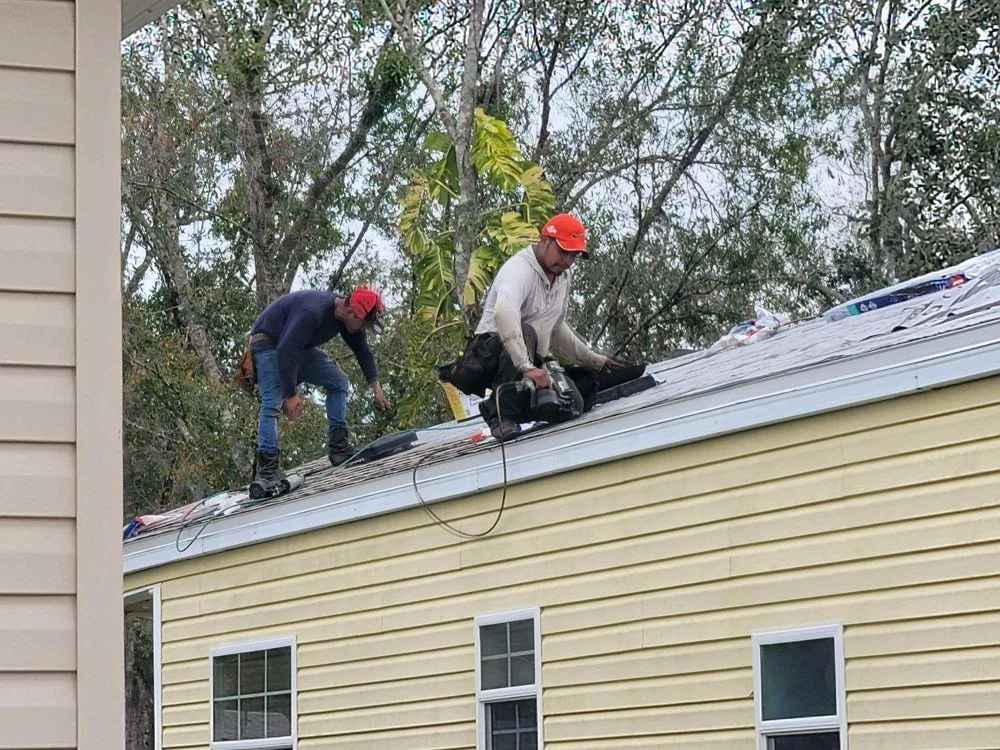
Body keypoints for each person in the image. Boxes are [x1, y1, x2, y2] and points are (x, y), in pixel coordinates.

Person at [443, 212, 621, 439]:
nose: (567, 261)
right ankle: (500, 412)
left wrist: (595, 360)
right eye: (563, 252)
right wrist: (526, 367)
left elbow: (556, 327)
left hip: (527, 359)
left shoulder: (562, 278)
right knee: (526, 331)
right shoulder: (519, 269)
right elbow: (503, 313)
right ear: (545, 241)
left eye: (573, 256)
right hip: (491, 356)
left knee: (578, 398)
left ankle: (517, 410)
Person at [249, 286, 390, 487]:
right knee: (272, 403)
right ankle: (267, 471)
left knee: (338, 381)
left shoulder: (346, 320)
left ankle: (338, 448)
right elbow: (285, 350)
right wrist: (290, 395)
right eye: (363, 324)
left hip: (295, 347)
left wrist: (376, 388)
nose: (362, 330)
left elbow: (363, 351)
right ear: (352, 312)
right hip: (269, 345)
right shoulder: (313, 311)